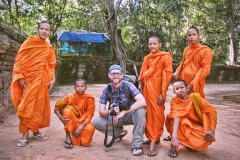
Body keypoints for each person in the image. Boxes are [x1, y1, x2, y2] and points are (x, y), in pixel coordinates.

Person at [10, 21, 56, 147]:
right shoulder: (29, 42)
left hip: (42, 81)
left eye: (47, 29)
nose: (44, 31)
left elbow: (52, 65)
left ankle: (36, 131)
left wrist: (53, 78)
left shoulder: (48, 48)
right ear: (38, 30)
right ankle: (25, 134)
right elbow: (19, 60)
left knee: (38, 107)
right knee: (26, 106)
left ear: (49, 32)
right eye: (42, 28)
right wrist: (19, 76)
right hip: (28, 80)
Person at [164, 26, 213, 142]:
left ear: (198, 35)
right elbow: (183, 63)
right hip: (183, 84)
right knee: (178, 108)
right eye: (189, 35)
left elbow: (205, 69)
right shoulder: (186, 50)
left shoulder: (205, 50)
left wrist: (192, 84)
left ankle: (191, 137)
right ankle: (174, 133)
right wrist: (177, 71)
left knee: (194, 110)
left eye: (193, 35)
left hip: (195, 85)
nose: (191, 37)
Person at [92, 64, 146, 156]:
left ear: (122, 75)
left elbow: (142, 101)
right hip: (115, 117)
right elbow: (101, 111)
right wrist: (110, 111)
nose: (115, 76)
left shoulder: (128, 85)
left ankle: (137, 145)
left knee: (141, 111)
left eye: (118, 73)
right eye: (113, 74)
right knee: (96, 122)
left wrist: (124, 112)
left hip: (130, 115)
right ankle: (118, 133)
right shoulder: (106, 89)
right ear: (109, 75)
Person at [138, 36, 173, 157]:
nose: (152, 46)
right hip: (147, 89)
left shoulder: (165, 57)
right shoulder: (147, 58)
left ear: (160, 44)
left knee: (157, 114)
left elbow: (167, 76)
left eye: (154, 44)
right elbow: (142, 76)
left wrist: (162, 94)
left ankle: (153, 141)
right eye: (150, 44)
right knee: (147, 114)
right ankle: (153, 138)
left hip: (158, 89)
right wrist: (140, 90)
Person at [165, 80, 217, 158]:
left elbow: (212, 112)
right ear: (174, 92)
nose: (180, 90)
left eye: (182, 87)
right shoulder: (174, 101)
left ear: (187, 89)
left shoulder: (196, 99)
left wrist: (212, 130)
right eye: (177, 89)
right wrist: (174, 137)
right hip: (179, 124)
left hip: (193, 125)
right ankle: (173, 147)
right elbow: (176, 116)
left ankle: (188, 144)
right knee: (174, 120)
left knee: (207, 137)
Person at [54, 79, 95, 149]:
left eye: (82, 86)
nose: (80, 88)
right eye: (77, 86)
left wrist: (81, 127)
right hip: (71, 119)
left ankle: (76, 134)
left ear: (86, 87)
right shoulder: (70, 96)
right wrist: (60, 117)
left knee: (89, 132)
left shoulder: (89, 98)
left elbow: (89, 114)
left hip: (83, 121)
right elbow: (57, 108)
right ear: (74, 88)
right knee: (67, 111)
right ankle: (68, 136)